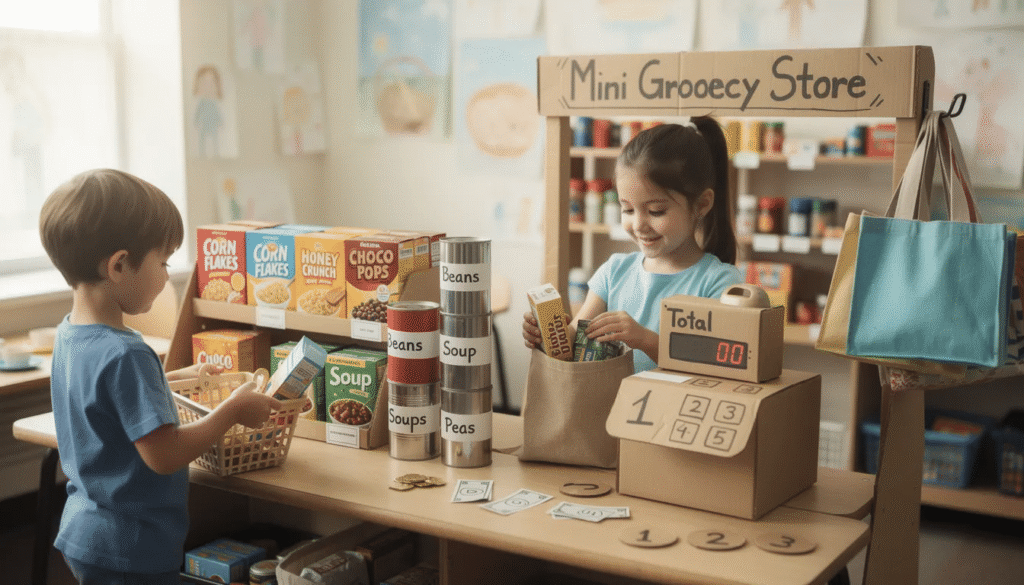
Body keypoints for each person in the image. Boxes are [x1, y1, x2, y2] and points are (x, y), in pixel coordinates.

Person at [38, 169, 282, 584]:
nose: (168, 274)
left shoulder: (70, 334)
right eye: (163, 261)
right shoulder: (126, 352)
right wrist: (233, 410)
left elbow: (106, 402)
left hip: (86, 531)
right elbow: (164, 454)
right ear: (118, 265)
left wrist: (176, 376)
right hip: (131, 547)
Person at [523, 118, 743, 372]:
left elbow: (718, 363)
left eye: (656, 211)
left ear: (702, 204)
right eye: (627, 208)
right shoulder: (614, 272)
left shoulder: (719, 283)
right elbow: (573, 343)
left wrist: (645, 340)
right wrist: (550, 336)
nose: (638, 224)